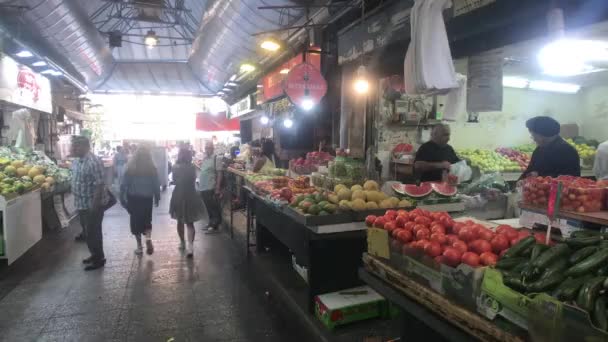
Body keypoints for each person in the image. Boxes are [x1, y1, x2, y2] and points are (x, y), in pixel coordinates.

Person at [71, 136, 108, 271]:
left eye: (76, 146)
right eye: (73, 145)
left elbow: (99, 185)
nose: (73, 148)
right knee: (87, 232)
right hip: (81, 203)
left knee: (93, 232)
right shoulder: (77, 161)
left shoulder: (94, 161)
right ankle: (94, 254)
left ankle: (99, 259)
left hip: (91, 205)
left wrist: (95, 205)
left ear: (86, 147)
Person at [120, 146, 160, 255]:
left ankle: (139, 247)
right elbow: (156, 184)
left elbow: (124, 184)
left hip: (134, 198)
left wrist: (122, 198)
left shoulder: (131, 168)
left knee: (135, 222)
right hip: (147, 198)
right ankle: (148, 239)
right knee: (147, 220)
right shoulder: (152, 168)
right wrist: (157, 197)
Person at [170, 148, 205, 257]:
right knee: (190, 222)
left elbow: (175, 181)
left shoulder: (175, 167)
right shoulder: (192, 167)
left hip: (179, 195)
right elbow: (194, 179)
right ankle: (190, 247)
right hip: (191, 194)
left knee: (180, 221)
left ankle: (182, 242)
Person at [198, 141, 224, 234]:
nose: (207, 149)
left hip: (211, 186)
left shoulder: (216, 158)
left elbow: (219, 173)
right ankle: (210, 222)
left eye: (209, 148)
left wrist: (217, 187)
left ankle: (215, 226)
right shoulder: (205, 158)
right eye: (206, 148)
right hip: (203, 187)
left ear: (213, 149)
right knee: (208, 207)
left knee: (214, 207)